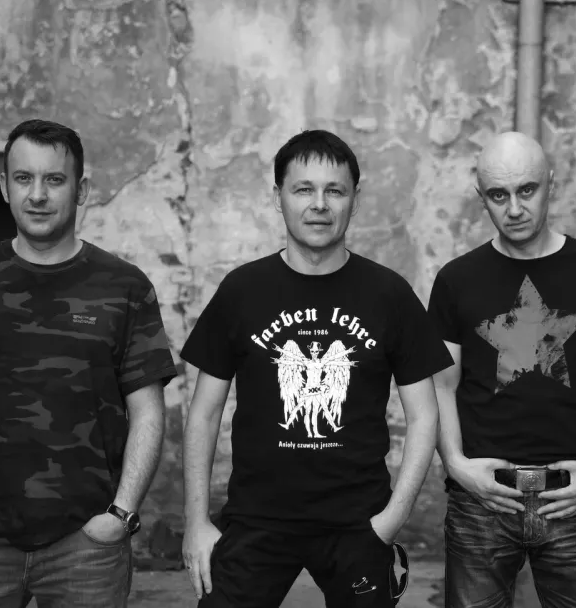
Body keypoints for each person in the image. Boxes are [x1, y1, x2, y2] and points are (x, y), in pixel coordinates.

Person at [0, 119, 178, 607]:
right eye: (23, 178)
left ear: (81, 190)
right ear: (4, 187)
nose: (37, 195)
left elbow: (148, 410)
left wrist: (121, 515)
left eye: (54, 179)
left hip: (86, 546)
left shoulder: (124, 287)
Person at [179, 129, 450, 608]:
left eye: (334, 191)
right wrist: (196, 522)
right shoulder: (242, 291)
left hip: (357, 524)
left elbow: (425, 414)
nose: (319, 204)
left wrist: (390, 522)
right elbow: (203, 413)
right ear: (278, 197)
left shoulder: (389, 294)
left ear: (354, 200)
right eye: (303, 189)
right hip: (256, 520)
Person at [428, 131, 576, 608]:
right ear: (482, 197)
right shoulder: (456, 279)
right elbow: (440, 386)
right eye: (498, 195)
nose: (515, 208)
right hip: (482, 500)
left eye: (527, 190)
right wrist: (456, 466)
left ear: (551, 185)